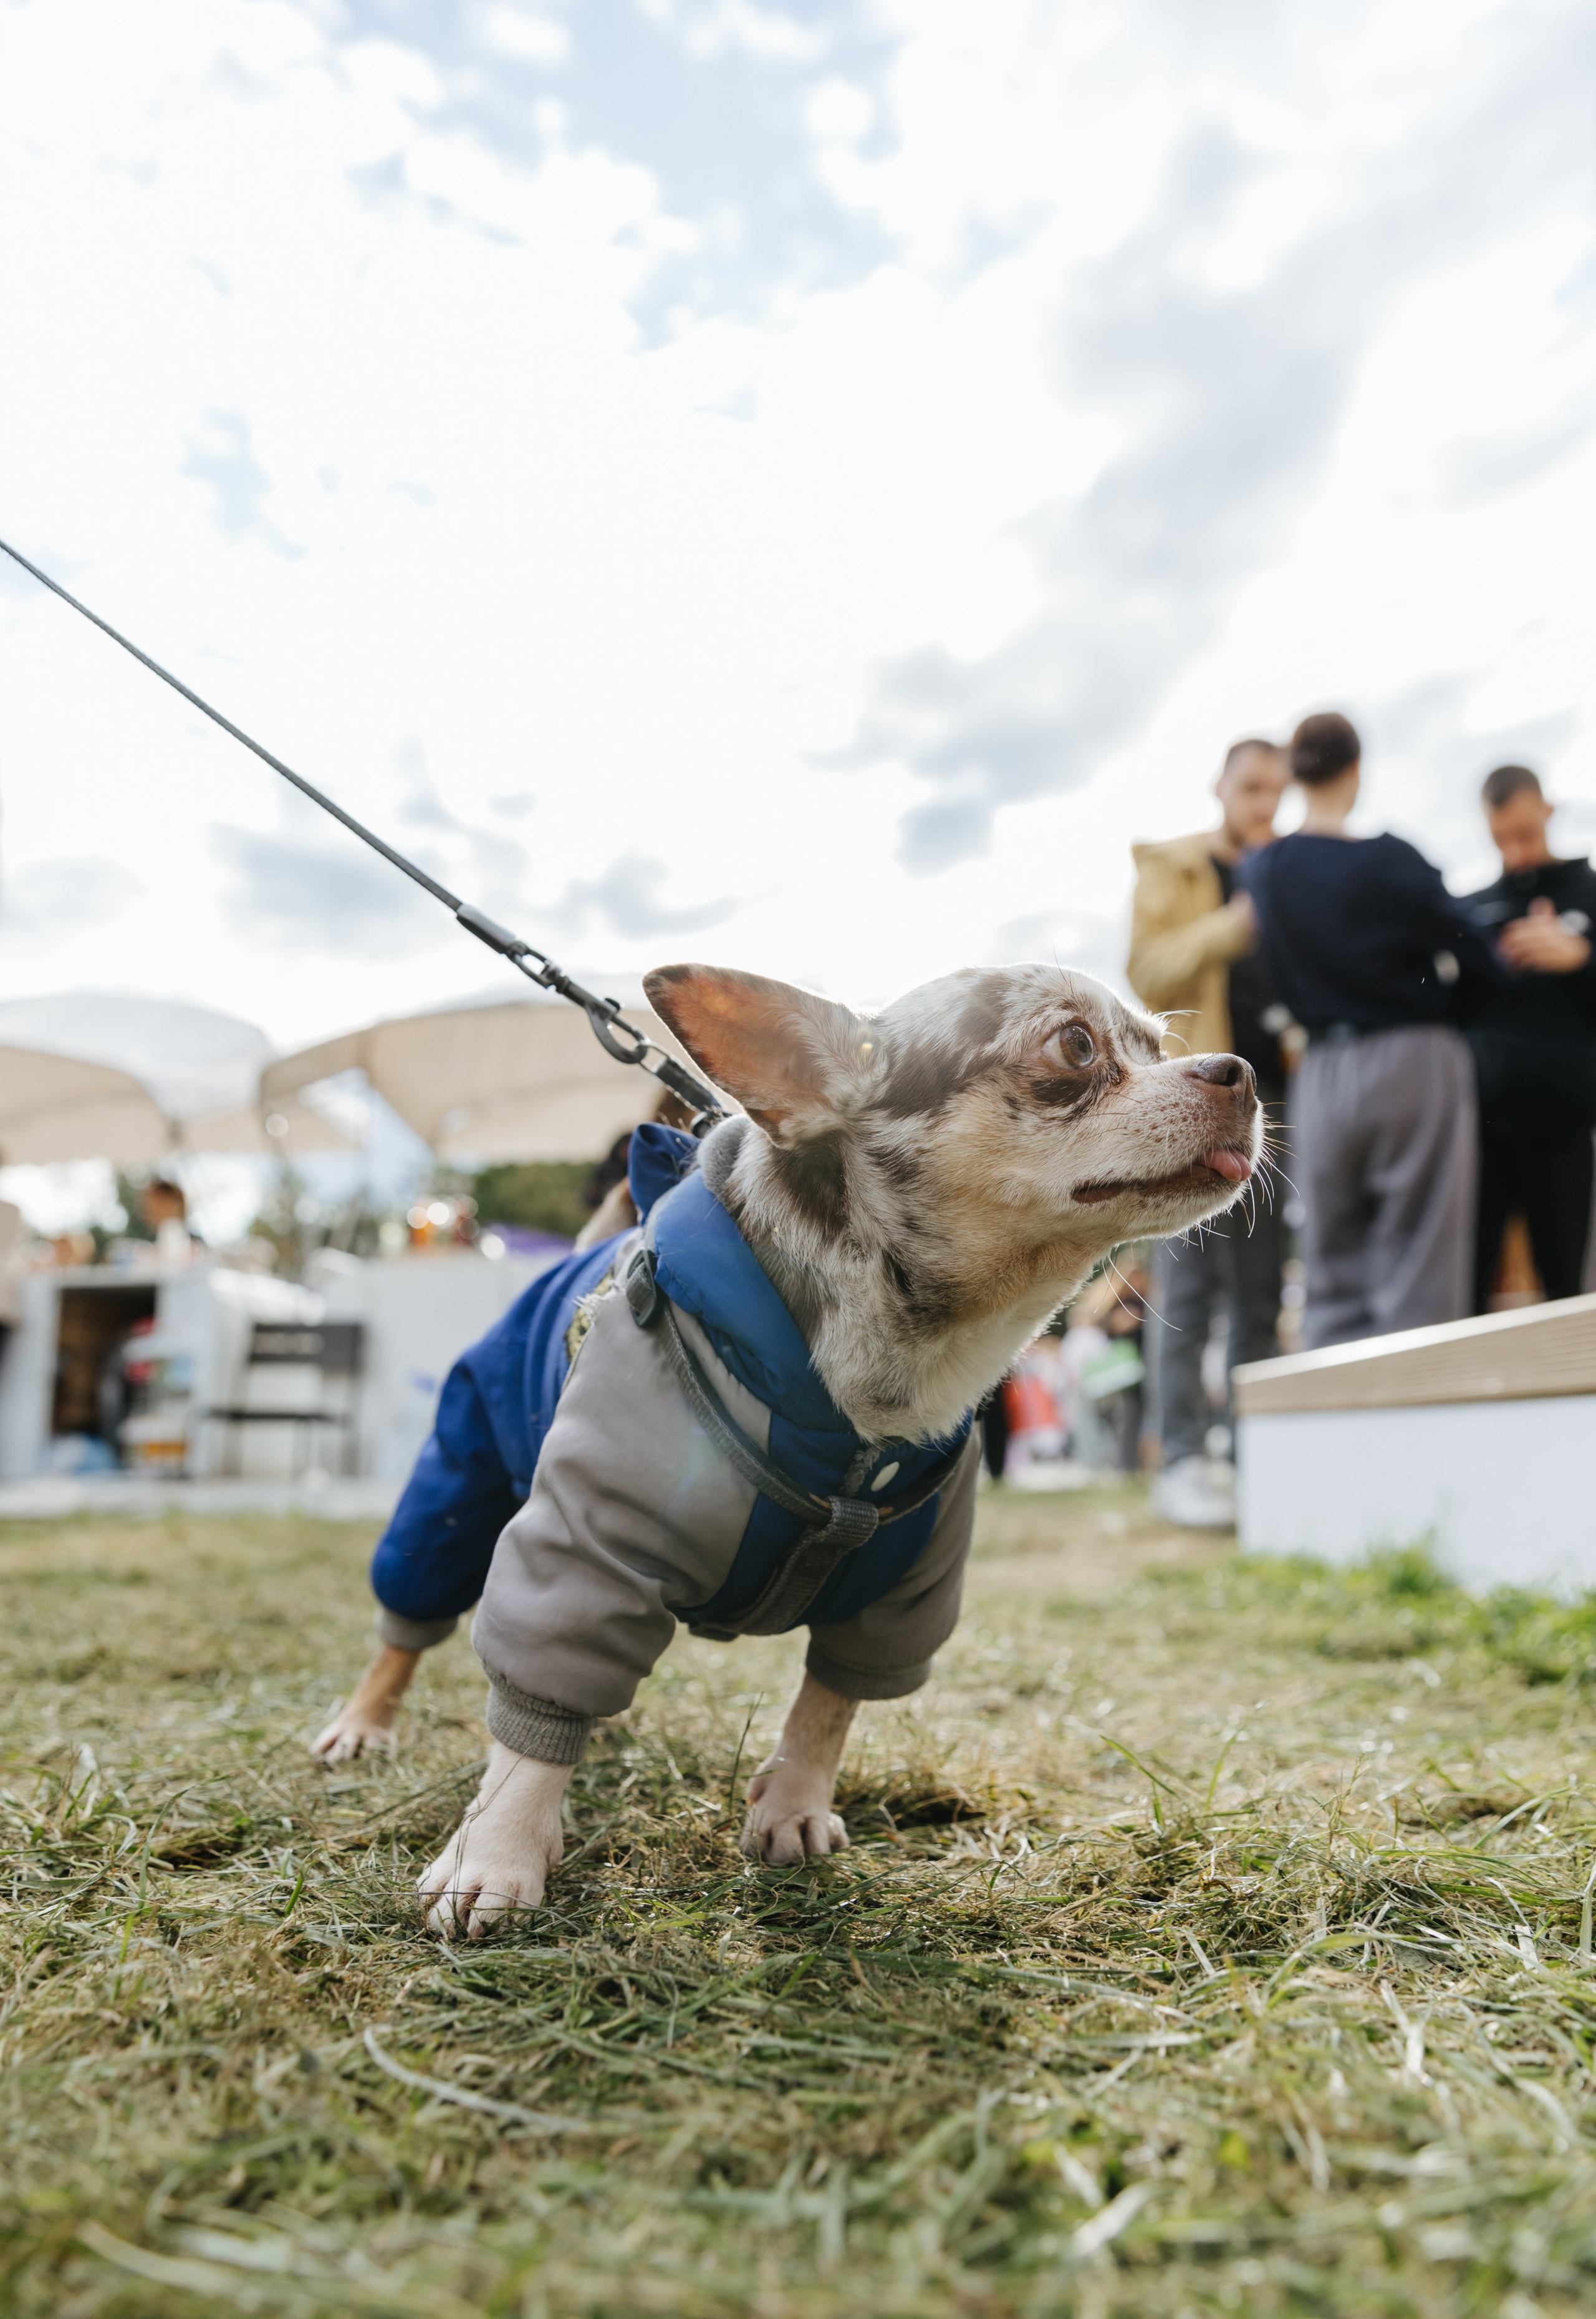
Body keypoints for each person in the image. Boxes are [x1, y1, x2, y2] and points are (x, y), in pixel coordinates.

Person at [1241, 711, 1496, 1349]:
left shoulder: (1264, 871)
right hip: (1413, 1057)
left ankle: (1342, 1428)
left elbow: (1270, 971)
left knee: (1328, 1263)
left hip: (1320, 1072)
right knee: (1421, 1259)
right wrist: (1450, 1014)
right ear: (1355, 770)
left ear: (1297, 775)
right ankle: (1417, 1425)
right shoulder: (1390, 860)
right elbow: (1479, 951)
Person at [1128, 736, 1291, 1527]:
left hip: (1281, 1107)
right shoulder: (1176, 868)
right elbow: (1147, 971)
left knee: (1261, 1293)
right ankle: (1183, 1459)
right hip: (1198, 1102)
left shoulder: (1288, 869)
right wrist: (1234, 925)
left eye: (1276, 789)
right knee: (1187, 1292)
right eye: (1251, 786)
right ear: (1220, 787)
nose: (1264, 803)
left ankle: (1254, 1459)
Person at [1461, 764, 1596, 1307]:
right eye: (1501, 839)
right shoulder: (1470, 910)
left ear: (1548, 812)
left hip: (1565, 1125)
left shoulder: (1588, 892)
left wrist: (1582, 958)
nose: (1515, 853)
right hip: (1484, 1129)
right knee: (1470, 1285)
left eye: (1525, 835)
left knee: (1565, 1286)